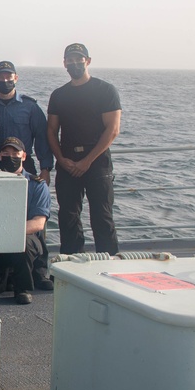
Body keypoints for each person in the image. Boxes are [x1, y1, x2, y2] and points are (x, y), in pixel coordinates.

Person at [47, 43, 122, 255]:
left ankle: (109, 265)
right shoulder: (59, 95)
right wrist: (61, 160)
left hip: (97, 163)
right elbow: (51, 131)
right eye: (70, 60)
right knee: (68, 217)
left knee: (102, 216)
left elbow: (113, 129)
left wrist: (87, 161)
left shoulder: (105, 90)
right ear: (64, 64)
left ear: (87, 61)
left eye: (78, 59)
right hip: (68, 163)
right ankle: (72, 266)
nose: (74, 63)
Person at [0, 138, 52, 305]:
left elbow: (38, 223)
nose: (10, 157)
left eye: (15, 153)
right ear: (0, 156)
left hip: (26, 237)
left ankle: (22, 289)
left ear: (24, 156)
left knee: (22, 244)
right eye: (6, 153)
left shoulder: (37, 185)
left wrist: (7, 236)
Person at [0, 61, 54, 184]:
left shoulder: (30, 107)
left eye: (8, 77)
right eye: (0, 78)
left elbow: (41, 138)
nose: (5, 81)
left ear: (16, 78)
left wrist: (45, 168)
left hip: (22, 163)